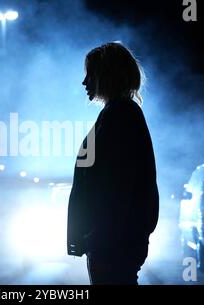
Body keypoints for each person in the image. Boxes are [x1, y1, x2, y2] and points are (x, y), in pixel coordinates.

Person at [67, 42, 159, 285]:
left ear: (107, 75)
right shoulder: (119, 113)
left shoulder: (120, 115)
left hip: (112, 242)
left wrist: (100, 237)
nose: (85, 82)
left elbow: (118, 187)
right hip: (112, 240)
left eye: (91, 75)